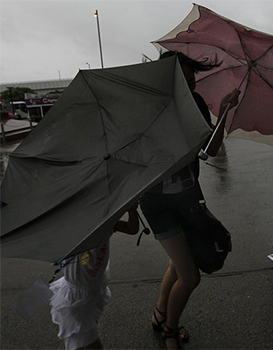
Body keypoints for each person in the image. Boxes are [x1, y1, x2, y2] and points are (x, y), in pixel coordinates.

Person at [140, 51, 239, 349]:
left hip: (188, 196)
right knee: (190, 276)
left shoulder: (195, 103)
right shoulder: (148, 108)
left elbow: (210, 148)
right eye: (184, 80)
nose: (191, 85)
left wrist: (222, 112)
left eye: (193, 78)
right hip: (156, 202)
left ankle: (160, 314)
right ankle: (170, 329)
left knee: (180, 262)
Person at [49, 203, 140, 350]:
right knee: (87, 339)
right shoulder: (71, 232)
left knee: (84, 334)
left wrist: (132, 210)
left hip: (94, 288)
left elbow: (132, 229)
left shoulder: (105, 225)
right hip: (75, 297)